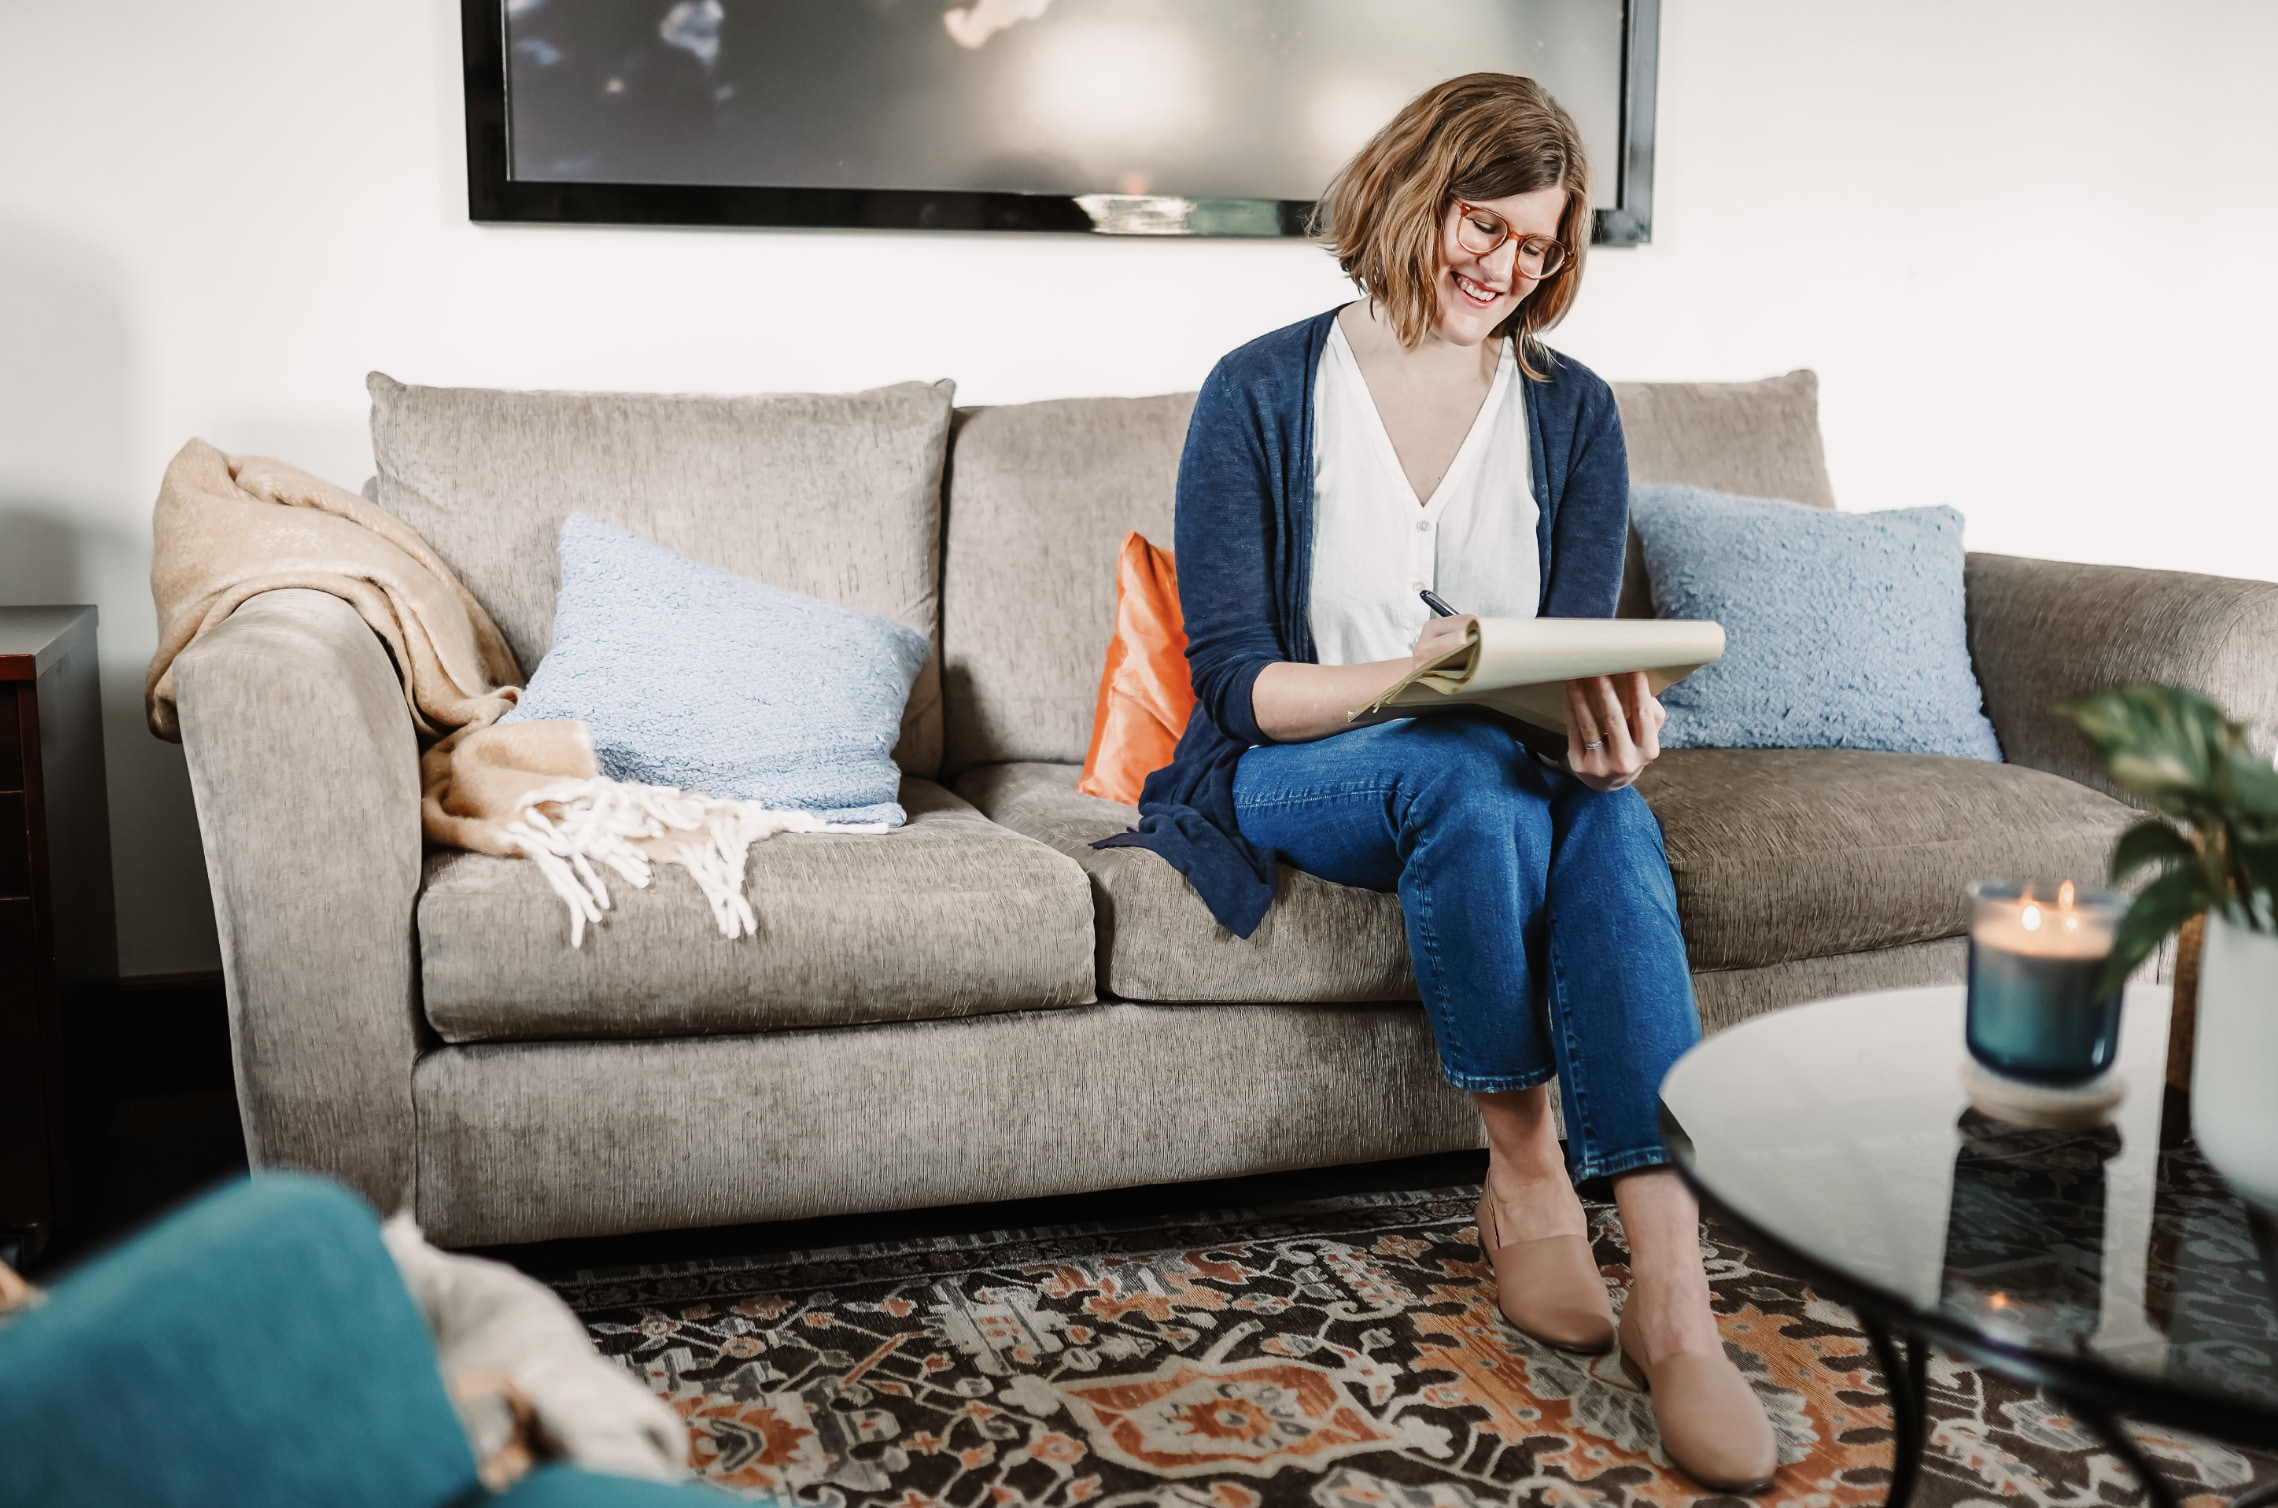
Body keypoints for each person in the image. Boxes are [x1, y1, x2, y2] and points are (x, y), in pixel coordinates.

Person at [1097, 73, 1778, 1491]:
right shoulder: (1259, 391)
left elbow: (1570, 647)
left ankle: (1669, 1285)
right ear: (1411, 194)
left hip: (1501, 770)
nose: (1505, 268)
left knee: (1601, 807)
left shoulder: (1571, 411)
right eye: (1483, 224)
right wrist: (1411, 684)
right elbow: (1240, 685)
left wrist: (1600, 723)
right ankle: (1523, 1166)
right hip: (1301, 772)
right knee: (1460, 765)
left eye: (1538, 248)